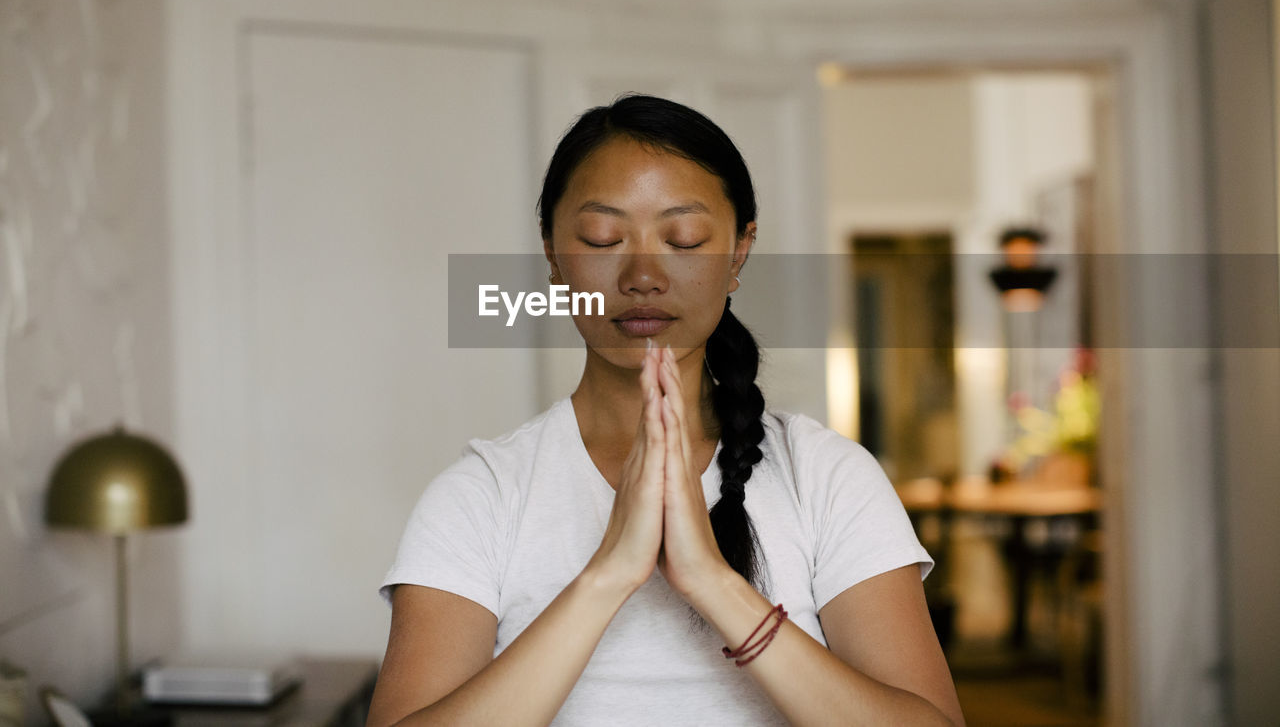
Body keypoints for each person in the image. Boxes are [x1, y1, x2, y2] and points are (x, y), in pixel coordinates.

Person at [366, 95, 965, 726]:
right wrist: (609, 575)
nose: (643, 274)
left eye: (684, 239)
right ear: (552, 254)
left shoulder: (827, 477)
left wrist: (713, 581)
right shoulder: (482, 494)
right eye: (603, 238)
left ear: (738, 252)